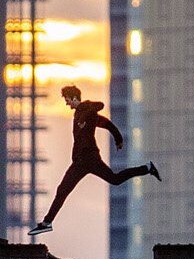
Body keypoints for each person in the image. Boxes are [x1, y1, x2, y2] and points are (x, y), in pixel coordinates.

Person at [29, 84, 160, 236]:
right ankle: (47, 223)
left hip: (90, 158)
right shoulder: (80, 114)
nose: (66, 103)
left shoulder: (86, 111)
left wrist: (88, 109)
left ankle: (147, 168)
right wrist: (118, 138)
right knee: (62, 190)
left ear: (73, 98)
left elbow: (100, 105)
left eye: (67, 100)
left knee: (114, 179)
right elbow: (108, 124)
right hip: (79, 161)